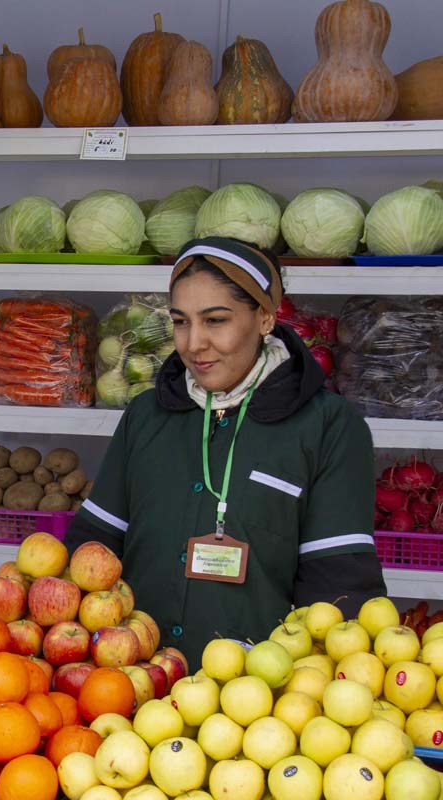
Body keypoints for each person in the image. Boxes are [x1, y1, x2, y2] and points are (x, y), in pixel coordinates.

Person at [64, 236, 386, 667]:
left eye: (215, 320)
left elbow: (340, 594)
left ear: (266, 317)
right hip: (129, 686)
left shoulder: (328, 427)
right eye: (180, 322)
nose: (193, 343)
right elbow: (91, 553)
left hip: (255, 706)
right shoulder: (146, 415)